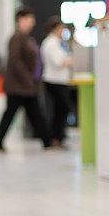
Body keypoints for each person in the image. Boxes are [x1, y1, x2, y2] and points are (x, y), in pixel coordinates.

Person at [0, 7, 51, 152]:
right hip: (19, 86)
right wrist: (28, 78)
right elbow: (15, 60)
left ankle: (47, 141)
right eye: (29, 19)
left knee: (31, 113)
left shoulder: (25, 37)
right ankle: (46, 141)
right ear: (20, 20)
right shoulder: (17, 38)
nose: (32, 23)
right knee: (16, 113)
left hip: (24, 85)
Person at [41, 16, 73, 148]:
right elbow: (58, 63)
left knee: (61, 109)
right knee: (62, 109)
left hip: (61, 80)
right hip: (54, 80)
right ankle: (55, 137)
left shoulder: (59, 43)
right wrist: (69, 59)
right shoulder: (50, 43)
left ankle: (58, 137)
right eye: (60, 29)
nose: (62, 31)